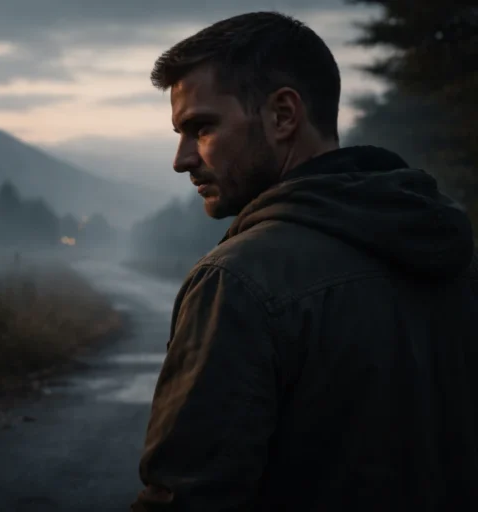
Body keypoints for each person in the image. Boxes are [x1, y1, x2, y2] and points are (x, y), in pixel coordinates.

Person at [132, 11, 478, 512]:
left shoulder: (238, 280)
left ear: (283, 116)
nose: (182, 158)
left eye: (201, 128)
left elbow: (187, 497)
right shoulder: (453, 254)